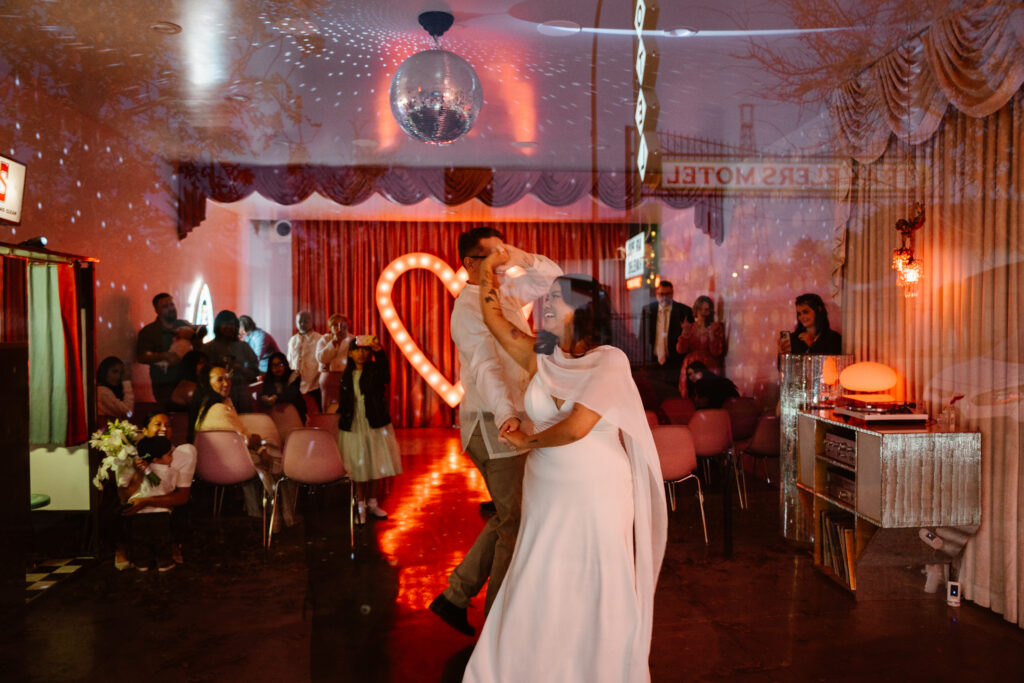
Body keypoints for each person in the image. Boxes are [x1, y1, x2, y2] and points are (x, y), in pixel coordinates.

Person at [463, 251, 667, 683]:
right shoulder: (543, 354)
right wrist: (485, 274)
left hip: (597, 491)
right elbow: (497, 323)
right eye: (547, 298)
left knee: (592, 578)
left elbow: (576, 428)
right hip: (546, 488)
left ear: (586, 310)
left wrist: (527, 439)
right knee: (537, 573)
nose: (548, 304)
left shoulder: (610, 360)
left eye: (559, 297)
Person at [429, 227, 562, 637]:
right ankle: (499, 623)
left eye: (503, 255)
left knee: (511, 516)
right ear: (469, 263)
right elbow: (486, 370)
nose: (503, 264)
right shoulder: (466, 311)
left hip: (514, 419)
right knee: (515, 520)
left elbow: (551, 275)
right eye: (491, 256)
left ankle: (455, 596)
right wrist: (509, 417)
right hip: (492, 424)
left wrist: (513, 255)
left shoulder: (503, 293)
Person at [190, 364, 295, 524]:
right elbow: (240, 438)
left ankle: (265, 514)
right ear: (207, 383)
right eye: (220, 379)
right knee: (274, 457)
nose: (226, 383)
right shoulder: (219, 408)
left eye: (227, 378)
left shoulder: (206, 406)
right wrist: (259, 448)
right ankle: (282, 514)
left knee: (267, 450)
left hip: (213, 465)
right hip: (233, 464)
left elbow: (238, 435)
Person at [337, 335, 402, 523]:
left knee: (375, 462)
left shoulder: (375, 370)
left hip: (374, 422)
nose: (361, 353)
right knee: (358, 466)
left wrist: (379, 351)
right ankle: (360, 505)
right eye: (357, 350)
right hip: (353, 424)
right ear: (350, 353)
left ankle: (373, 503)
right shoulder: (347, 374)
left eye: (365, 350)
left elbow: (386, 375)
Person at [136, 412, 197, 565]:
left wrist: (146, 501)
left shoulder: (181, 453)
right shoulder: (135, 454)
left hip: (165, 507)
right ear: (144, 430)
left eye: (168, 425)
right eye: (158, 424)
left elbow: (182, 495)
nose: (164, 428)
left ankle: (171, 547)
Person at [118, 435, 178, 572]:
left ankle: (142, 563)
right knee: (162, 540)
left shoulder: (137, 469)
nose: (172, 458)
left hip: (138, 513)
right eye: (169, 455)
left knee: (140, 540)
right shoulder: (171, 471)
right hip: (160, 514)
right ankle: (164, 563)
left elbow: (123, 483)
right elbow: (169, 490)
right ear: (157, 458)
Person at [136, 292, 199, 407]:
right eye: (165, 307)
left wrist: (194, 335)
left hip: (189, 381)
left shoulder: (184, 325)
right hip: (164, 385)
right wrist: (165, 355)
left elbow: (199, 347)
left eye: (172, 304)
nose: (171, 309)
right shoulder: (149, 331)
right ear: (157, 310)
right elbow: (141, 356)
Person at [639, 280, 693, 404]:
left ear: (672, 293)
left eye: (667, 294)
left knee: (673, 397)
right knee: (653, 396)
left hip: (675, 362)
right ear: (657, 294)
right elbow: (642, 336)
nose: (664, 297)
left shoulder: (684, 311)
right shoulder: (648, 310)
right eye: (661, 294)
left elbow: (688, 340)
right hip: (653, 362)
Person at [201, 310, 259, 413]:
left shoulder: (243, 347)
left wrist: (239, 368)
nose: (228, 327)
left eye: (231, 324)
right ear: (218, 325)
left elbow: (254, 372)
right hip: (216, 394)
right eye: (225, 324)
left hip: (240, 393)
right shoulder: (209, 348)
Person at [676, 295, 727, 395]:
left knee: (709, 393)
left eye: (707, 310)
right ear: (696, 310)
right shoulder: (690, 327)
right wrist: (684, 334)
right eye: (701, 310)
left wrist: (712, 336)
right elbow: (680, 350)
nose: (703, 314)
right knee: (690, 393)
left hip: (709, 364)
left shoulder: (715, 327)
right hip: (690, 364)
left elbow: (717, 352)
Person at [778, 292, 843, 356]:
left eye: (806, 312)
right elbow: (784, 366)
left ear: (819, 310)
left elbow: (830, 363)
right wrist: (782, 355)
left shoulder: (834, 339)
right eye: (799, 314)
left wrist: (812, 345)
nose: (802, 317)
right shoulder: (794, 338)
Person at [315, 313, 355, 412]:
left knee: (347, 409)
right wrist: (334, 342)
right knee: (329, 410)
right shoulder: (325, 339)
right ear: (330, 327)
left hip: (347, 378)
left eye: (342, 324)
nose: (339, 327)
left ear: (347, 326)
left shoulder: (353, 340)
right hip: (329, 379)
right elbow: (321, 358)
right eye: (335, 325)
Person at [286, 310, 323, 412]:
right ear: (296, 322)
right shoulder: (292, 340)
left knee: (317, 411)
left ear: (312, 321)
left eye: (306, 321)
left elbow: (322, 361)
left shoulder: (320, 339)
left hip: (314, 383)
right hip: (295, 382)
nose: (302, 324)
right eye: (300, 321)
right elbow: (289, 360)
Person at [258, 352, 307, 423]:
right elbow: (264, 395)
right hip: (276, 419)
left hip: (296, 415)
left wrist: (275, 397)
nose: (277, 368)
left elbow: (291, 394)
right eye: (274, 365)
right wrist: (265, 399)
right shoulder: (267, 379)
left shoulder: (293, 375)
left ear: (285, 364)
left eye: (280, 364)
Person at [96, 355, 134, 422]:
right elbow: (128, 413)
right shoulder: (102, 391)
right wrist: (126, 382)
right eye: (114, 372)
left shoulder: (107, 390)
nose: (118, 376)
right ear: (104, 371)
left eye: (121, 373)